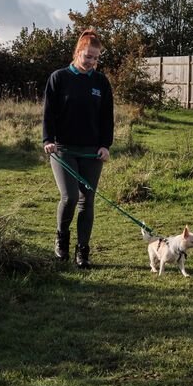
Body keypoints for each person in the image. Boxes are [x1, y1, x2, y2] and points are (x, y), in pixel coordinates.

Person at [42, 29, 114, 268]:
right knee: (70, 196)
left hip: (92, 151)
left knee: (87, 200)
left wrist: (105, 145)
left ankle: (83, 251)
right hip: (62, 149)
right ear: (77, 53)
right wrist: (47, 140)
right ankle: (61, 238)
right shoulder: (59, 78)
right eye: (88, 57)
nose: (92, 62)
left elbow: (107, 117)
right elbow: (48, 113)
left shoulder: (101, 82)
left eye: (96, 58)